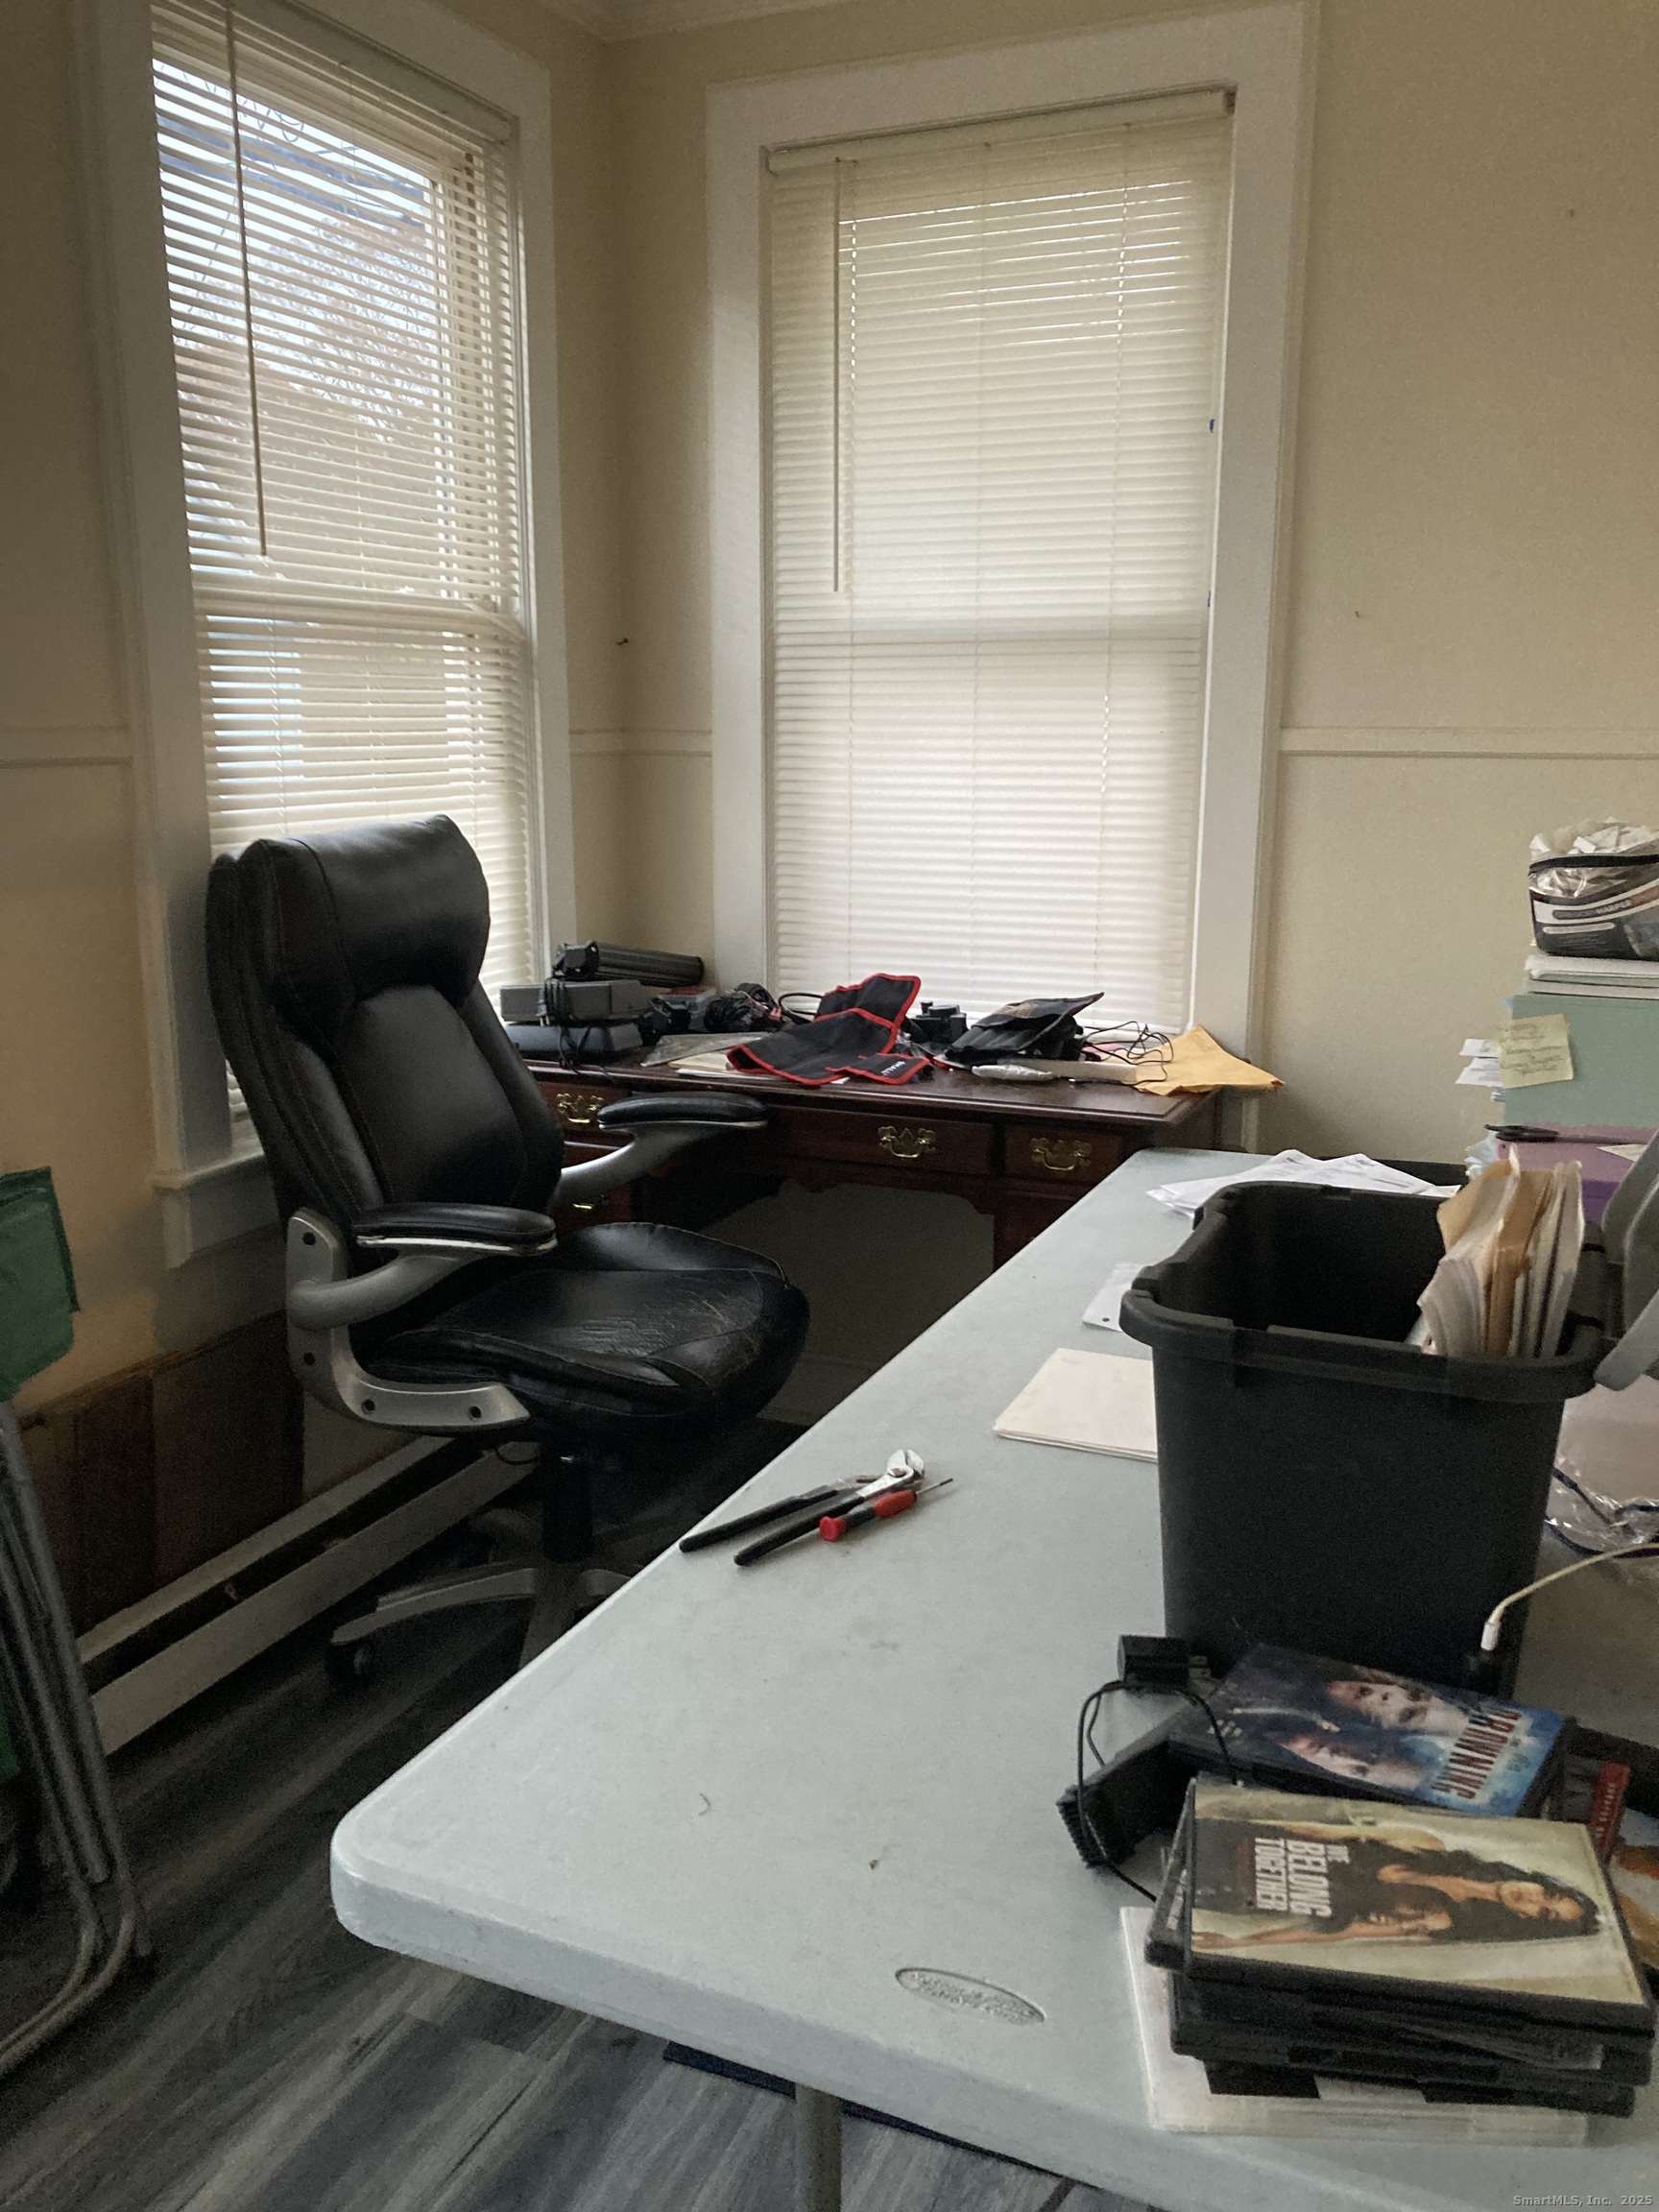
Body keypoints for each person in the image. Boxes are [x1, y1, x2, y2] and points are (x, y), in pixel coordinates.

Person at [1190, 1815, 1599, 1952]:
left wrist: (1240, 1943)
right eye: (1549, 1892)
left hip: (1238, 1888)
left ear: (1526, 1921)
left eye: (1542, 1911)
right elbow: (1321, 1832)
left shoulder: (1446, 1920)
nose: (1533, 1897)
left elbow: (1339, 1933)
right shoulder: (1430, 1845)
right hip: (1238, 1837)